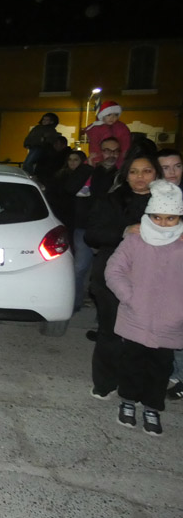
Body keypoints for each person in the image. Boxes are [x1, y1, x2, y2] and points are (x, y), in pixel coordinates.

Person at [105, 180, 183, 435]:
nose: (163, 223)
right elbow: (114, 269)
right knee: (131, 362)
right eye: (157, 217)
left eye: (170, 218)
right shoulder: (135, 240)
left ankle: (152, 407)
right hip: (136, 317)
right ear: (148, 215)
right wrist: (130, 297)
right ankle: (128, 401)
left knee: (160, 368)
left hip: (170, 322)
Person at [85, 152, 161, 399]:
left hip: (154, 276)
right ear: (126, 176)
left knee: (146, 334)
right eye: (134, 172)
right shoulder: (111, 200)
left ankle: (136, 386)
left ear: (156, 174)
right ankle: (105, 383)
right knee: (111, 330)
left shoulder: (167, 202)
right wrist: (123, 231)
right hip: (114, 273)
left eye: (147, 171)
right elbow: (92, 234)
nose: (140, 177)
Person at [71, 138, 120, 315]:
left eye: (115, 151)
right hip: (84, 226)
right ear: (99, 152)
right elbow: (70, 188)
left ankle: (104, 312)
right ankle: (74, 303)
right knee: (80, 267)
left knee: (107, 272)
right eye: (107, 150)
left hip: (108, 229)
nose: (111, 155)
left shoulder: (121, 176)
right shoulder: (88, 171)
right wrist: (87, 168)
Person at [156, 148, 183, 399]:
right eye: (166, 167)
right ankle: (173, 372)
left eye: (177, 166)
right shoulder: (155, 194)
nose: (172, 172)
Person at [84, 100, 131, 168]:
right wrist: (97, 159)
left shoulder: (122, 128)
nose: (112, 118)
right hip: (100, 161)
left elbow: (125, 143)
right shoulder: (96, 129)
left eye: (115, 115)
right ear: (103, 115)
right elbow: (94, 145)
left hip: (118, 160)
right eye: (109, 115)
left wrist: (124, 155)